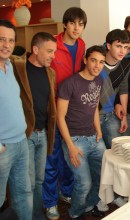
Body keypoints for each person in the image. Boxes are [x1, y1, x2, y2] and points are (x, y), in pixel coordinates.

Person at [43, 7, 87, 220]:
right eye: (73, 23)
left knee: (71, 156)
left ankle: (66, 192)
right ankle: (50, 202)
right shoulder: (52, 44)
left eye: (81, 24)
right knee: (52, 157)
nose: (77, 28)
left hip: (73, 109)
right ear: (65, 24)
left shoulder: (81, 45)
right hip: (52, 108)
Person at [57, 45, 106, 219]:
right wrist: (69, 145)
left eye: (101, 62)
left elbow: (94, 107)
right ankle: (75, 213)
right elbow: (60, 117)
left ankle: (89, 205)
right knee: (84, 183)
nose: (97, 65)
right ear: (85, 60)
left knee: (103, 178)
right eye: (93, 60)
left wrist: (99, 130)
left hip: (94, 136)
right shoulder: (69, 84)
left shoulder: (99, 80)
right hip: (75, 140)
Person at [11, 32, 56, 220]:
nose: (53, 56)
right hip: (25, 135)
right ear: (35, 49)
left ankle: (37, 215)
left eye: (54, 52)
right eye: (49, 51)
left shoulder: (50, 73)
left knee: (39, 180)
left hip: (43, 134)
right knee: (26, 184)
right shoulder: (16, 67)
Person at [0, 19, 33, 220]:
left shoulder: (10, 65)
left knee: (24, 194)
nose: (7, 45)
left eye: (11, 40)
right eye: (1, 39)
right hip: (3, 147)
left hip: (21, 142)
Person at [99, 29, 130, 150]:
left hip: (111, 114)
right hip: (93, 116)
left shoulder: (125, 64)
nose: (122, 51)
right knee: (99, 155)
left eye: (125, 47)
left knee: (118, 151)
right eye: (118, 46)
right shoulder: (97, 62)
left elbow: (123, 89)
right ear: (108, 45)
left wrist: (124, 118)